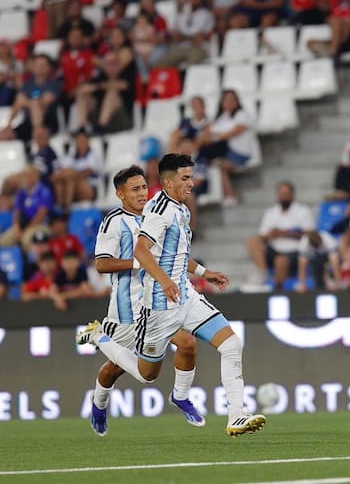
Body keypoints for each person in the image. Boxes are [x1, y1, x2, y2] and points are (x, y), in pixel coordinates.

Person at [80, 154, 267, 437]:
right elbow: (141, 252)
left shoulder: (179, 208)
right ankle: (99, 337)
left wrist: (205, 274)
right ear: (168, 181)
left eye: (191, 177)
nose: (192, 183)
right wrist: (165, 280)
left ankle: (236, 414)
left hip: (185, 296)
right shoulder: (156, 212)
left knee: (230, 343)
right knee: (146, 375)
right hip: (156, 305)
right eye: (185, 178)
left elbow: (176, 253)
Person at [80, 165, 204, 435]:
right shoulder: (114, 221)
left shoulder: (155, 216)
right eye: (134, 189)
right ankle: (99, 401)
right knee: (120, 371)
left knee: (187, 343)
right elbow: (101, 264)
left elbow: (177, 255)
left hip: (157, 304)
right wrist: (140, 262)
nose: (142, 193)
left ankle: (181, 396)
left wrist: (204, 272)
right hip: (128, 311)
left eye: (144, 187)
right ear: (120, 194)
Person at [247, 181, 315, 289]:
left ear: (292, 195)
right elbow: (262, 236)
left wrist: (288, 233)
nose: (283, 197)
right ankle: (264, 273)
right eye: (281, 194)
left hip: (295, 251)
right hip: (274, 248)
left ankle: (278, 289)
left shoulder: (302, 211)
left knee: (280, 261)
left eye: (286, 194)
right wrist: (271, 234)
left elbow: (311, 235)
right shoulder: (270, 212)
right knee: (252, 241)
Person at [196, 90, 256, 206]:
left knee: (218, 165)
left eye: (233, 100)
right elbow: (208, 131)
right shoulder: (222, 117)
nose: (230, 102)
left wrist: (216, 137)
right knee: (204, 155)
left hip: (239, 155)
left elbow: (236, 131)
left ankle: (229, 196)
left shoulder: (241, 115)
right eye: (227, 100)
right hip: (227, 152)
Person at [75, 29, 137, 133]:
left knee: (112, 92)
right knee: (83, 93)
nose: (110, 65)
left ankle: (102, 126)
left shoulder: (128, 71)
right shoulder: (103, 74)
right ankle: (82, 127)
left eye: (114, 63)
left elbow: (123, 85)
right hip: (97, 116)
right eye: (108, 63)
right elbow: (92, 84)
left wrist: (98, 86)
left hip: (122, 118)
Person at [0, 55, 62, 142]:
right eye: (38, 65)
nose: (40, 68)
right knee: (4, 136)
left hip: (48, 122)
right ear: (34, 67)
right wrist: (9, 125)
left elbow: (45, 103)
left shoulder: (54, 84)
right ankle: (9, 125)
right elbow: (18, 102)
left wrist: (29, 102)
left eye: (43, 65)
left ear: (49, 68)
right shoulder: (28, 84)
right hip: (28, 123)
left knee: (34, 103)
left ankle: (37, 130)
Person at [153, 0, 213, 68]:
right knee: (158, 66)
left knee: (191, 66)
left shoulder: (206, 14)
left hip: (199, 48)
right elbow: (174, 35)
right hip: (181, 48)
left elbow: (200, 37)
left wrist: (183, 36)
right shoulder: (181, 15)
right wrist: (183, 37)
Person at [0, 164, 55, 249]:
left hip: (40, 225)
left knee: (27, 240)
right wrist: (17, 228)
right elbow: (17, 212)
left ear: (37, 176)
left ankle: (30, 261)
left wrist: (25, 231)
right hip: (23, 225)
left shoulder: (44, 191)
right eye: (25, 175)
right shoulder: (22, 192)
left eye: (30, 175)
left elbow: (41, 215)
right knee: (4, 241)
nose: (27, 178)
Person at [51, 130, 101, 208]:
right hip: (75, 189)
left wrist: (73, 174)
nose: (81, 143)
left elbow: (89, 171)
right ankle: (60, 205)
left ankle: (67, 206)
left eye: (83, 141)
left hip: (90, 188)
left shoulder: (93, 155)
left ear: (88, 142)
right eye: (79, 141)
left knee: (70, 177)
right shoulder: (72, 156)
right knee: (60, 180)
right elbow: (65, 170)